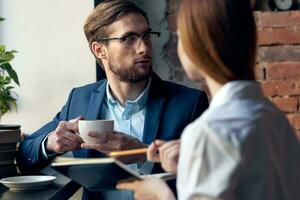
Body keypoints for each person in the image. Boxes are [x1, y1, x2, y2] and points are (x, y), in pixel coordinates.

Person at [16, 0, 209, 200]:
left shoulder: (190, 104)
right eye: (129, 38)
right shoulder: (80, 99)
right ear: (100, 50)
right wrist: (51, 143)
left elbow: (211, 176)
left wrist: (144, 155)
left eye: (146, 36)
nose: (143, 48)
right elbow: (25, 154)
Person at [116, 0, 300, 199]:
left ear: (200, 44)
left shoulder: (208, 133)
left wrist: (160, 193)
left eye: (181, 38)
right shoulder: (275, 119)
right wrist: (192, 167)